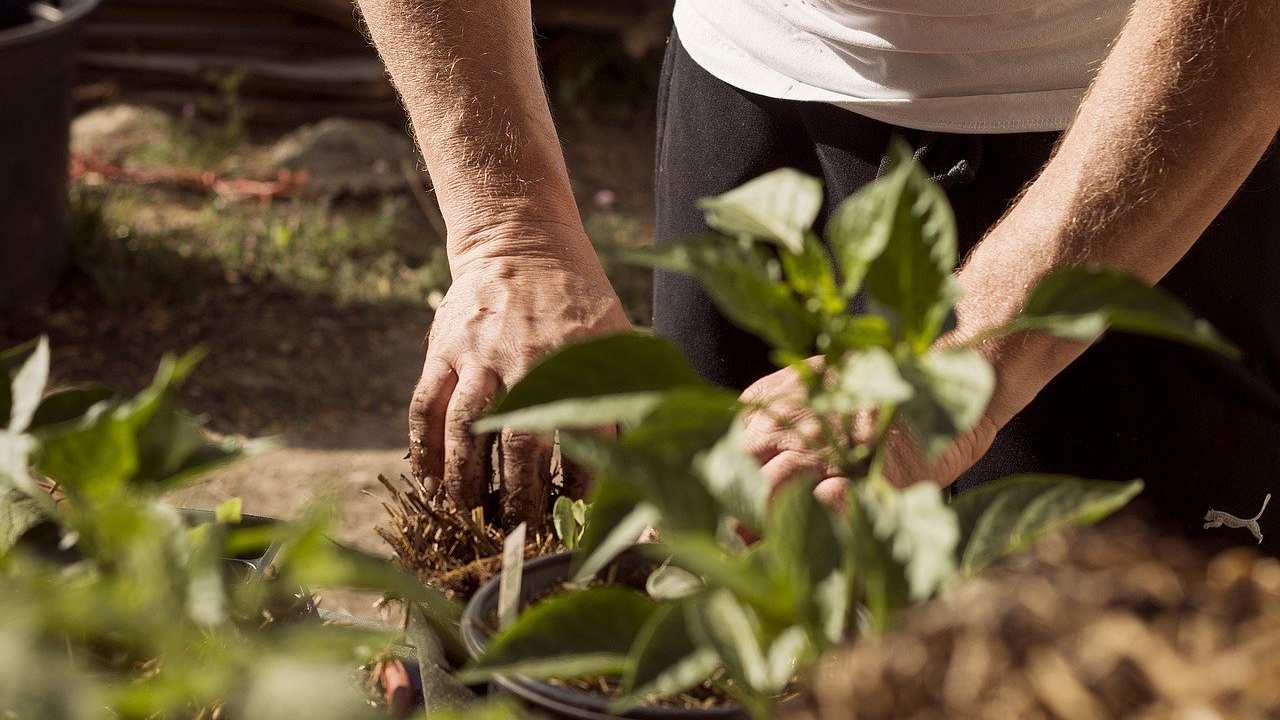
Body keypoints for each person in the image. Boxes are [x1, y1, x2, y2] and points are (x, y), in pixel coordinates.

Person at [355, 0, 1280, 548]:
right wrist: (508, 229)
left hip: (1142, 145)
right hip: (747, 98)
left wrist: (960, 355)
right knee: (722, 614)